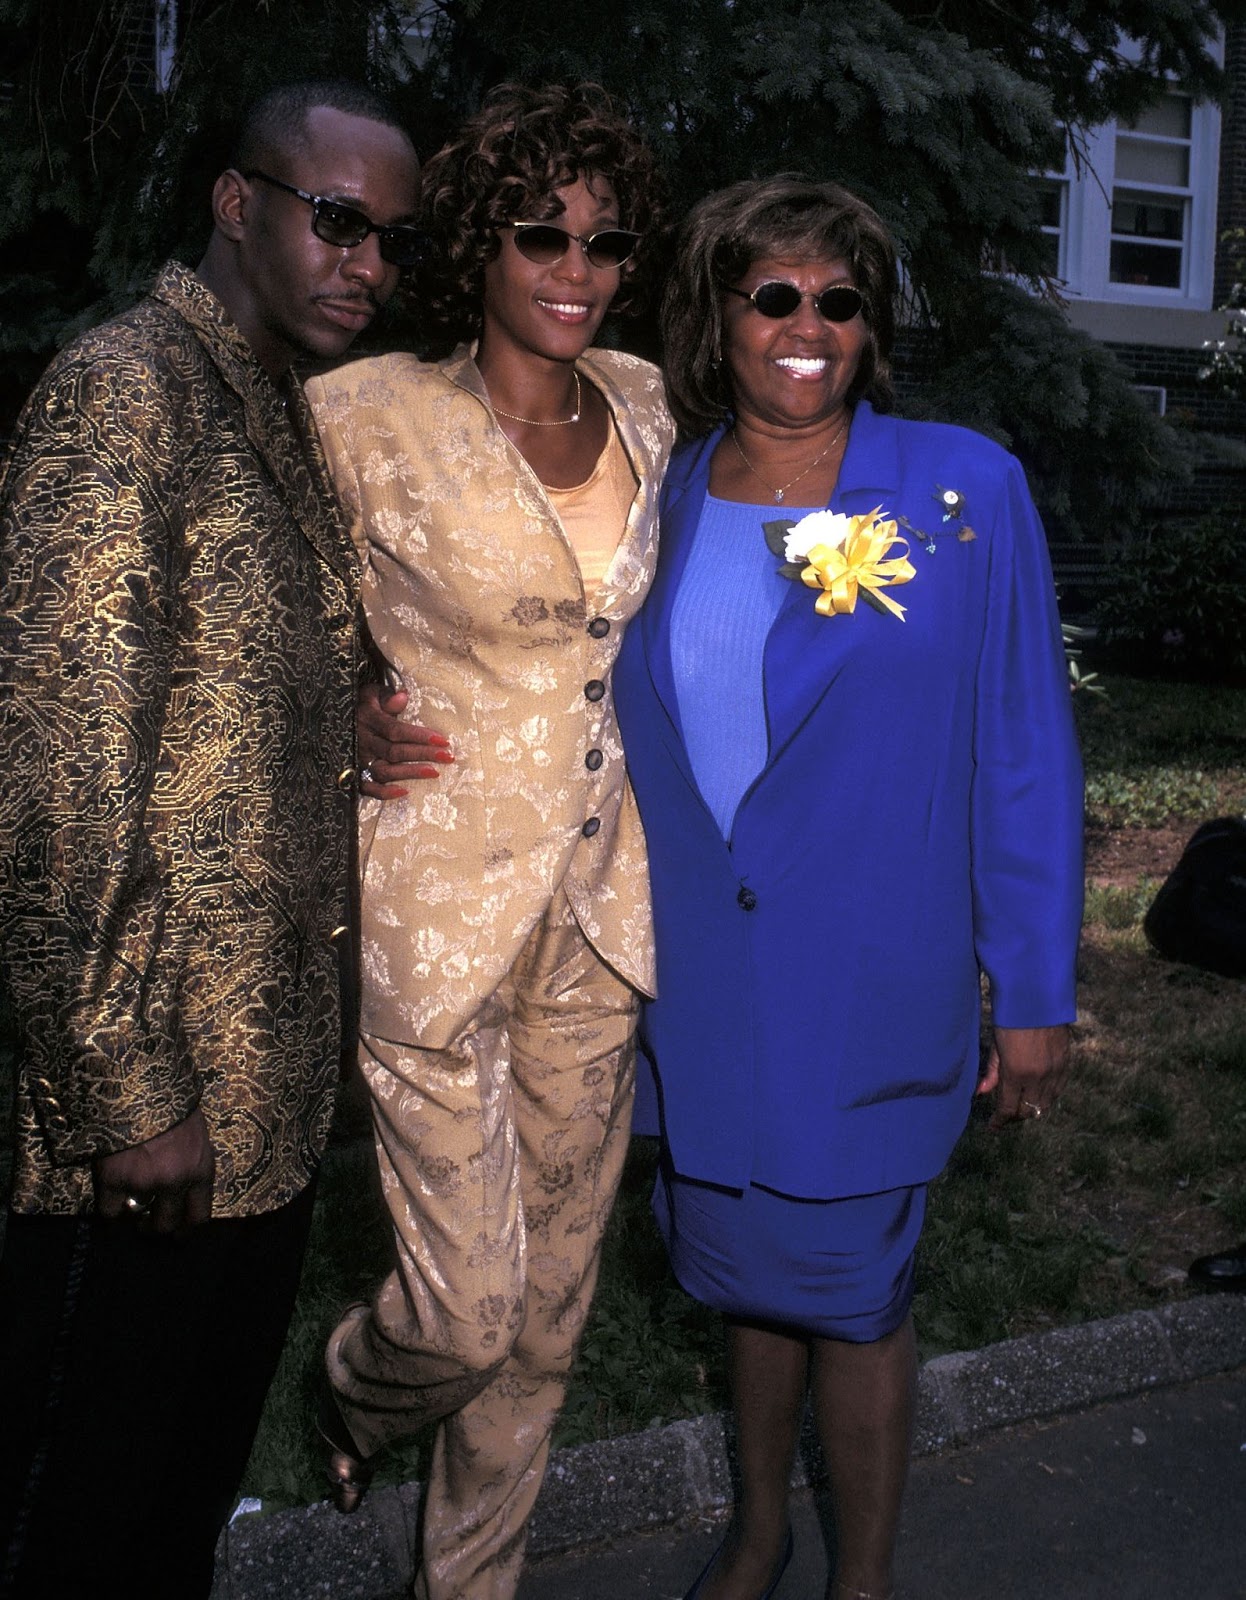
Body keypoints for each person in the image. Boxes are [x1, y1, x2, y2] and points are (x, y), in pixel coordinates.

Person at [610, 176, 1085, 1600]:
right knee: (746, 1281)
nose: (804, 326)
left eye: (838, 299)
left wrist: (1034, 990)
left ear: (869, 326)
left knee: (854, 1294)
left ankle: (857, 1586)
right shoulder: (659, 492)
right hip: (700, 985)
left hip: (872, 983)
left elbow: (1020, 751)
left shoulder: (959, 492)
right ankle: (757, 1535)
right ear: (719, 315)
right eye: (772, 295)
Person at [0, 80, 420, 1600]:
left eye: (390, 238)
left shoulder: (270, 403)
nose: (365, 262)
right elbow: (62, 775)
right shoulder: (125, 390)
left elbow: (234, 687)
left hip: (264, 1098)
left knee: (170, 1510)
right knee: (70, 1518)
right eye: (336, 220)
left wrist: (349, 721)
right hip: (146, 1120)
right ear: (238, 205)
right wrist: (124, 1091)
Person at [304, 83, 673, 1600]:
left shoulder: (651, 403)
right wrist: (340, 715)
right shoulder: (363, 412)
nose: (574, 268)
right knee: (461, 1314)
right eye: (541, 234)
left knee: (545, 1319)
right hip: (432, 910)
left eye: (602, 239)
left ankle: (470, 1587)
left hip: (602, 911)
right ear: (482, 241)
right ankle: (351, 1384)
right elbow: (257, 620)